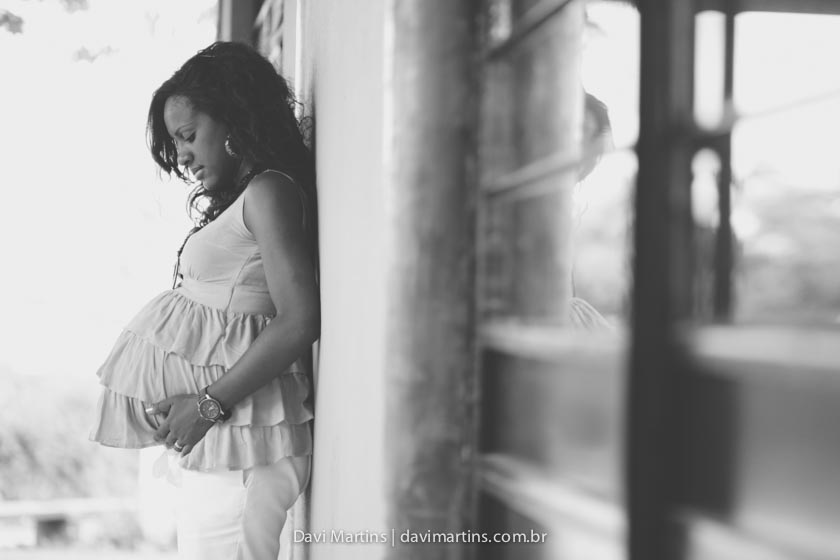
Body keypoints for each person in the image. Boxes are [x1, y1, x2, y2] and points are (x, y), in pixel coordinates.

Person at [89, 41, 319, 560]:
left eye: (188, 136)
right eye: (176, 143)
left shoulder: (269, 192)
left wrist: (206, 404)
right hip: (230, 437)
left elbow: (300, 320)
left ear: (234, 117)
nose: (182, 156)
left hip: (245, 438)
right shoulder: (247, 197)